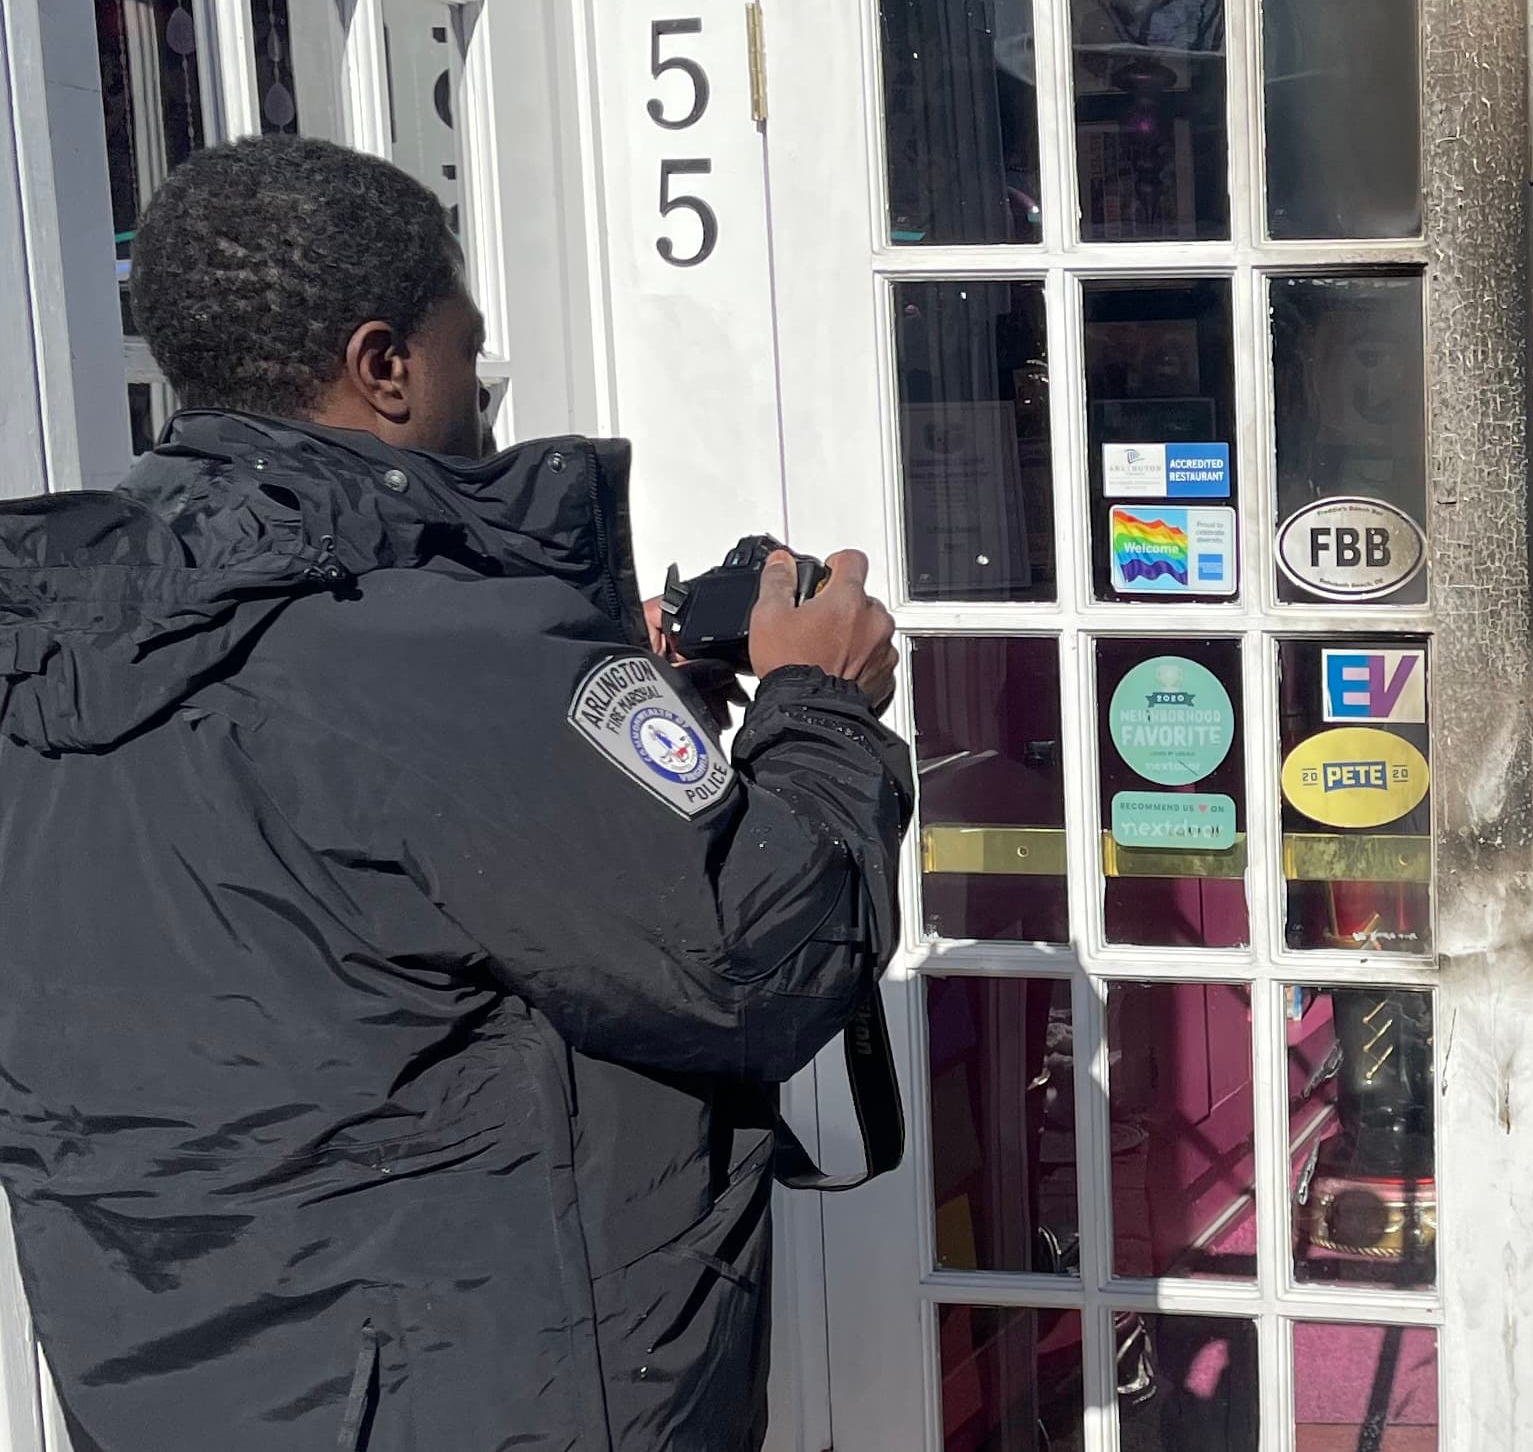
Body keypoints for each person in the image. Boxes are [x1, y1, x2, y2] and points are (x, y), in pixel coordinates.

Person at [0, 136, 910, 1451]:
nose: (482, 395)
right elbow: (760, 952)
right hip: (483, 1400)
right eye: (463, 349)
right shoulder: (424, 654)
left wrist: (596, 729)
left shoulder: (53, 644)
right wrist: (815, 702)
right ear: (384, 364)